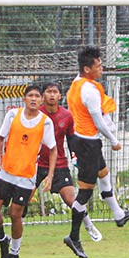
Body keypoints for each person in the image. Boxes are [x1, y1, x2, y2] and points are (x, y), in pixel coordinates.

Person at [64, 46, 129, 258]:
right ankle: (73, 236)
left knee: (104, 174)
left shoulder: (77, 83)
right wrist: (114, 140)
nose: (102, 69)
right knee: (85, 193)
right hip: (87, 143)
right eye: (98, 66)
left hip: (86, 141)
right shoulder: (89, 90)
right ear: (87, 69)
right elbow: (98, 121)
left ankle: (119, 215)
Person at [0, 85, 57, 258]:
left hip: (26, 176)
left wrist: (50, 176)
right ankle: (3, 240)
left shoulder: (46, 122)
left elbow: (52, 149)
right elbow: (0, 137)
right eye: (30, 96)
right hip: (5, 172)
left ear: (41, 100)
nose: (34, 99)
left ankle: (14, 253)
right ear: (24, 99)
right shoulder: (12, 115)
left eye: (36, 96)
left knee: (15, 214)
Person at [30, 82, 102, 242]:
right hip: (36, 164)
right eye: (48, 92)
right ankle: (15, 236)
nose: (52, 95)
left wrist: (76, 158)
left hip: (59, 165)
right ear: (43, 97)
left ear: (60, 96)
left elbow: (71, 140)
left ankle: (89, 226)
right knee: (22, 200)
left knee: (71, 199)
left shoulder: (67, 116)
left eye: (55, 92)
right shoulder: (36, 114)